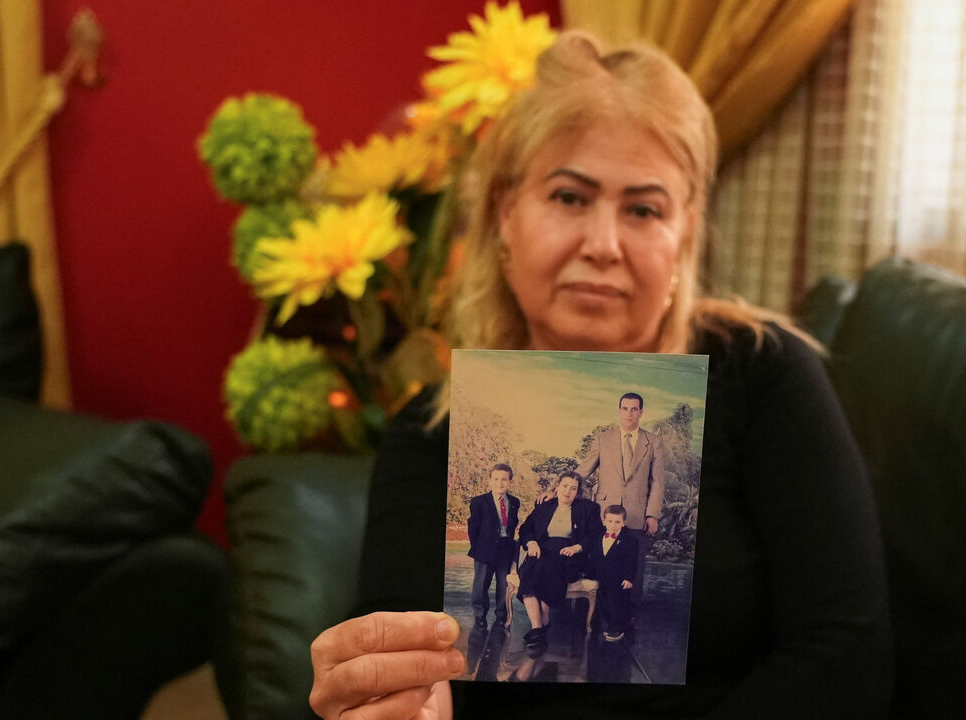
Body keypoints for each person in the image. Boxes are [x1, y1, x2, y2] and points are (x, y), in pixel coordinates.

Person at [309, 30, 892, 719]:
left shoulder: (763, 375)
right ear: (505, 216)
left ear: (684, 235)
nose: (604, 245)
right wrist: (388, 697)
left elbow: (846, 656)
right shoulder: (431, 432)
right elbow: (404, 677)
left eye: (644, 209)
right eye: (569, 198)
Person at [574, 391, 664, 616]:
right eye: (625, 408)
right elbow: (583, 470)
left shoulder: (653, 442)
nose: (629, 413)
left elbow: (658, 481)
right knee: (597, 562)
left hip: (636, 515)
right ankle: (593, 613)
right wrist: (556, 490)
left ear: (641, 412)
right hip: (604, 514)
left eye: (634, 409)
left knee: (634, 568)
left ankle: (629, 614)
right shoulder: (603, 439)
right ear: (619, 410)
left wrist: (652, 514)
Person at [513, 471, 601, 651]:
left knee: (546, 568)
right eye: (564, 486)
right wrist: (531, 542)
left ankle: (538, 629)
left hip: (569, 554)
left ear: (578, 491)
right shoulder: (544, 506)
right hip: (541, 550)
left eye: (573, 488)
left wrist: (578, 547)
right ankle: (539, 628)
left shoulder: (588, 508)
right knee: (529, 570)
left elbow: (595, 535)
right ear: (557, 486)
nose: (568, 491)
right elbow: (525, 529)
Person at [466, 463, 521, 629]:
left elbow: (512, 524)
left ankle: (501, 615)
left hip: (505, 548)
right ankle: (480, 614)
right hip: (485, 548)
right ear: (489, 481)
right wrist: (478, 547)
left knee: (503, 584)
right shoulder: (479, 502)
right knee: (481, 584)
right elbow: (473, 527)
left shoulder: (514, 502)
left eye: (504, 479)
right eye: (496, 479)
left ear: (510, 481)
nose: (500, 483)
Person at [591, 504, 637, 643]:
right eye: (610, 521)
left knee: (617, 603)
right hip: (601, 577)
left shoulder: (630, 541)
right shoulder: (598, 537)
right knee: (603, 602)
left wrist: (628, 578)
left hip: (618, 580)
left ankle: (618, 626)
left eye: (617, 522)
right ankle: (608, 624)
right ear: (603, 521)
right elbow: (594, 557)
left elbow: (631, 561)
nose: (613, 525)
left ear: (624, 523)